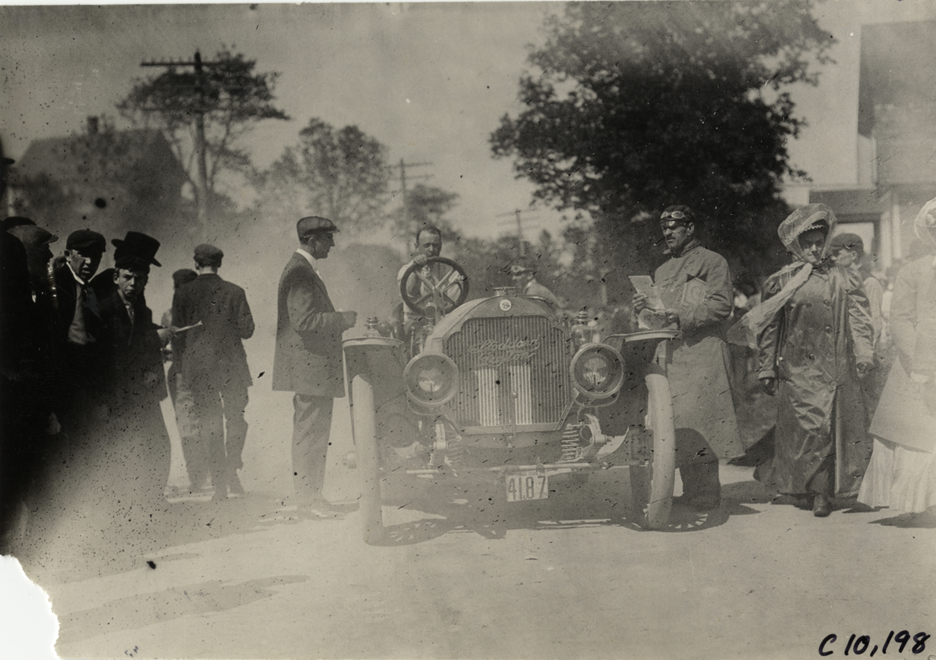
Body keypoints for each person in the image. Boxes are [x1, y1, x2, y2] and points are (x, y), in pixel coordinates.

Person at [752, 204, 874, 517]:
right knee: (805, 430)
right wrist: (766, 367)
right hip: (797, 368)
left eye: (820, 242)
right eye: (808, 243)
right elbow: (769, 328)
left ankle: (822, 493)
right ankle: (801, 488)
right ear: (796, 246)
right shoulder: (782, 282)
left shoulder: (843, 277)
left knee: (828, 429)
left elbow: (859, 319)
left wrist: (863, 354)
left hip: (835, 364)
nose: (815, 248)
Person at [632, 205, 743, 510]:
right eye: (664, 228)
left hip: (703, 353)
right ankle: (692, 491)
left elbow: (721, 306)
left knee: (703, 424)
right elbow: (657, 316)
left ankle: (707, 492)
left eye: (675, 227)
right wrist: (642, 307)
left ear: (690, 228)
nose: (668, 233)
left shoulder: (712, 262)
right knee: (678, 426)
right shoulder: (662, 270)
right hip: (672, 357)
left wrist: (679, 315)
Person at [273, 216, 357, 518]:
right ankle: (309, 501)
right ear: (312, 241)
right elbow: (305, 322)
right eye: (328, 238)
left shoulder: (302, 269)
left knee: (312, 434)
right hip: (311, 371)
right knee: (311, 435)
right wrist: (343, 319)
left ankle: (311, 498)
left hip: (312, 371)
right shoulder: (300, 272)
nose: (333, 244)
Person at [858, 198, 936, 513]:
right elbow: (901, 319)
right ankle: (923, 500)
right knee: (916, 429)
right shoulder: (913, 271)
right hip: (918, 361)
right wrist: (919, 362)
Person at [96, 235, 171, 521]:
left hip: (141, 390)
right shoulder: (103, 298)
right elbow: (119, 345)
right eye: (130, 276)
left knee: (155, 444)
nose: (135, 283)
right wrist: (154, 339)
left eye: (142, 277)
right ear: (117, 275)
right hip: (117, 392)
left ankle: (149, 502)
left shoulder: (137, 300)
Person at [172, 244, 255, 501]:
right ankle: (232, 468)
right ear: (219, 264)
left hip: (199, 368)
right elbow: (247, 330)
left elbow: (178, 336)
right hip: (232, 366)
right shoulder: (235, 291)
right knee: (236, 418)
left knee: (210, 423)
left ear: (197, 264)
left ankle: (219, 484)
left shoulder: (183, 293)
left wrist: (183, 367)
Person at [162, 268, 203, 493]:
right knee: (189, 425)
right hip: (181, 376)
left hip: (193, 375)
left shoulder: (200, 314)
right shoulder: (169, 316)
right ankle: (198, 476)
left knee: (197, 423)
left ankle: (203, 475)